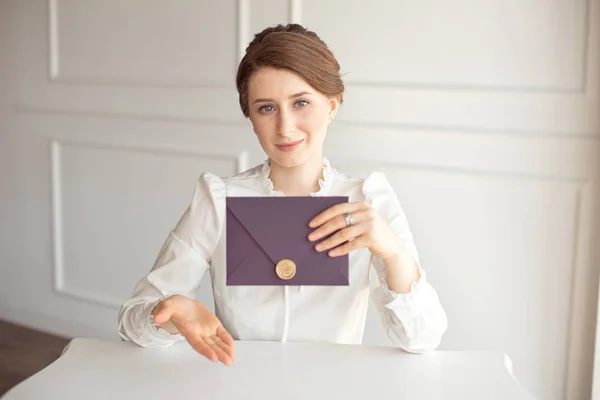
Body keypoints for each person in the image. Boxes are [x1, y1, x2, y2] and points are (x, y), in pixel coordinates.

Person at [118, 23, 448, 367]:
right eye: (266, 108)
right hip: (241, 387)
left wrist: (394, 253)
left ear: (332, 106)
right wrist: (169, 316)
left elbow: (422, 339)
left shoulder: (369, 200)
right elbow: (132, 321)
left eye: (301, 102)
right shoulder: (219, 200)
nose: (285, 127)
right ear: (250, 116)